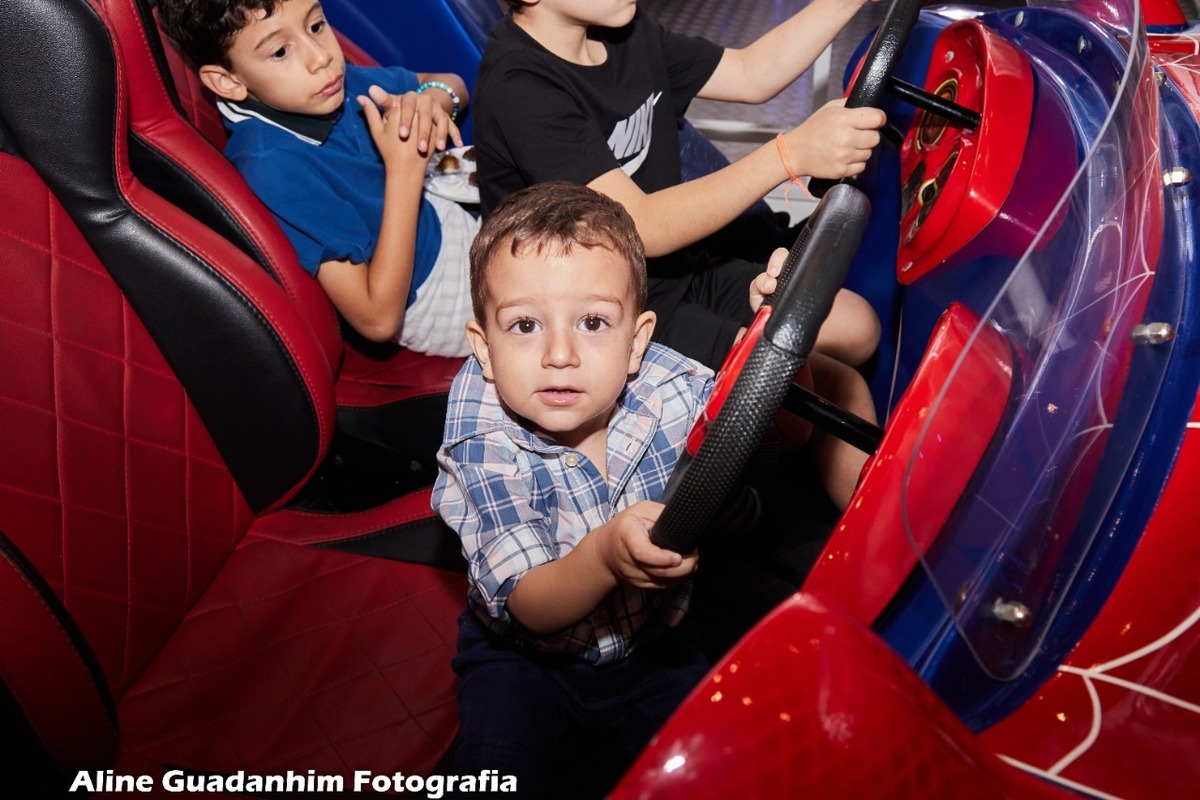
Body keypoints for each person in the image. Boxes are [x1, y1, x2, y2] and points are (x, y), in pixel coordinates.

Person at [433, 182, 782, 798]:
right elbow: (529, 604)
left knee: (719, 773)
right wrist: (605, 556)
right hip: (523, 662)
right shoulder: (479, 433)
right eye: (524, 325)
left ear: (637, 340)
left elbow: (770, 440)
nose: (560, 354)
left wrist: (773, 348)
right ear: (484, 348)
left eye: (593, 322)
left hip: (654, 646)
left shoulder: (670, 384)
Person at [472, 0, 885, 507]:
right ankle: (869, 548)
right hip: (611, 316)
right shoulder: (520, 86)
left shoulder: (626, 32)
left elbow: (752, 73)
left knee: (859, 326)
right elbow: (638, 226)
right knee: (835, 390)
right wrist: (789, 154)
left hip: (676, 271)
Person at [158, 0, 478, 357]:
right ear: (227, 81)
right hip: (432, 294)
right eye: (281, 52)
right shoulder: (275, 166)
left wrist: (429, 101)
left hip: (448, 222)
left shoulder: (327, 86)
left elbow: (452, 83)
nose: (321, 57)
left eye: (316, 26)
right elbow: (377, 319)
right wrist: (404, 172)